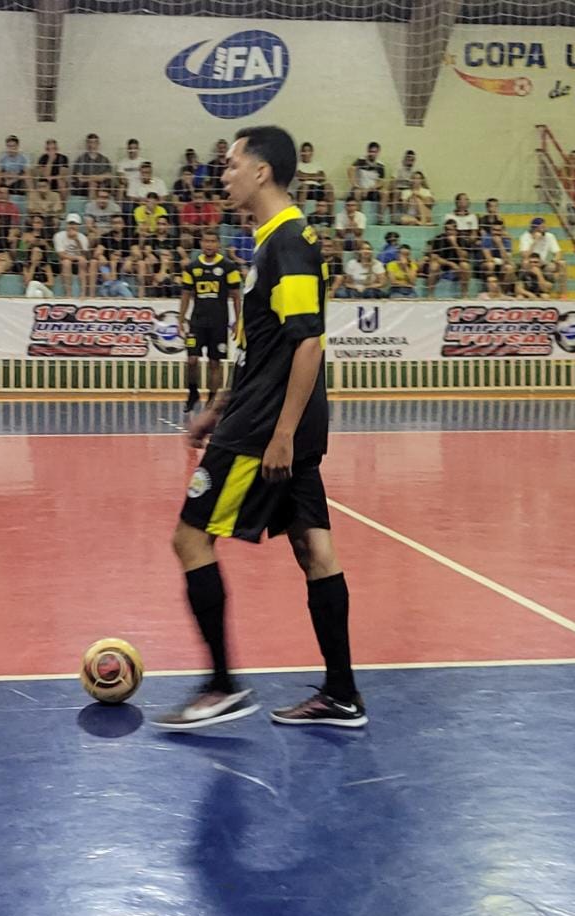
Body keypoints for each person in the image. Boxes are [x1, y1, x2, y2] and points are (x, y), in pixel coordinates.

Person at [152, 126, 364, 732]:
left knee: (190, 540)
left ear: (262, 172)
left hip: (266, 429)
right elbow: (265, 347)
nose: (225, 173)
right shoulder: (270, 243)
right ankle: (343, 695)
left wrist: (280, 434)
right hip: (260, 416)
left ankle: (221, 686)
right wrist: (219, 404)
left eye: (233, 162)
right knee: (314, 548)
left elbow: (308, 345)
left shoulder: (291, 242)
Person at [178, 229, 241, 413]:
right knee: (191, 360)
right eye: (206, 241)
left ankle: (212, 399)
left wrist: (238, 320)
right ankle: (192, 393)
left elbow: (236, 296)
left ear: (218, 244)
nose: (209, 245)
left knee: (215, 363)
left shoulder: (229, 267)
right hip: (197, 322)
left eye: (213, 241)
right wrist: (180, 319)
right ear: (201, 243)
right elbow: (186, 295)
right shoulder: (192, 268)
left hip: (219, 322)